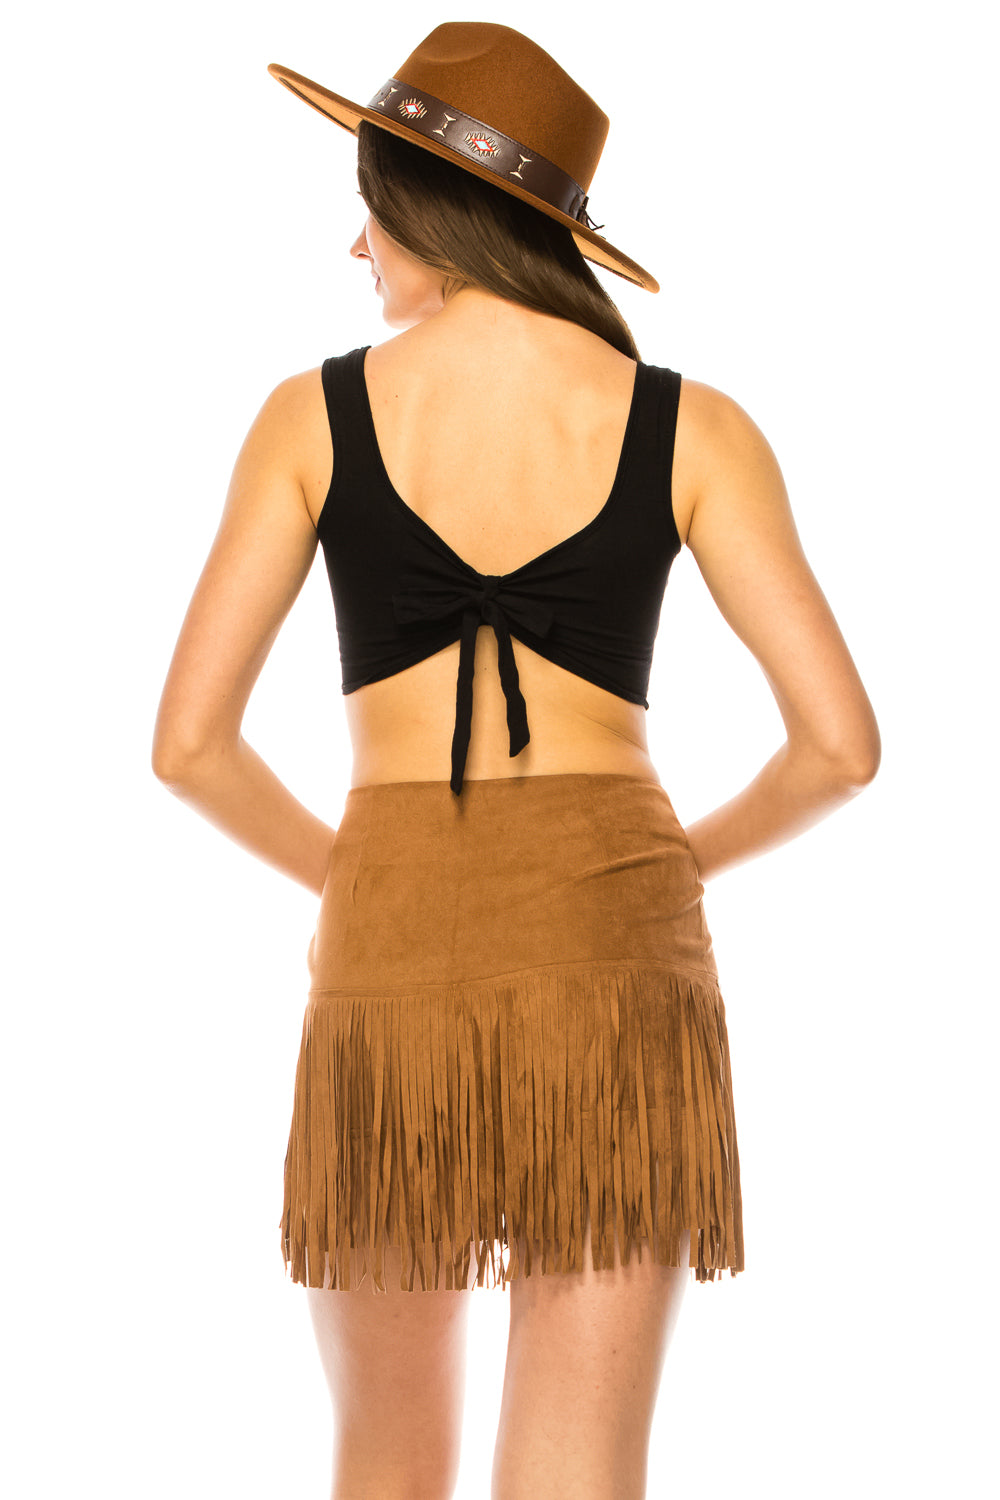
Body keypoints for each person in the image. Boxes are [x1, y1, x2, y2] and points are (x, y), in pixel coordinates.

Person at [152, 21, 880, 1500]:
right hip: (617, 940)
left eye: (369, 210)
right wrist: (677, 861)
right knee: (579, 1471)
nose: (355, 247)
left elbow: (190, 747)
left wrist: (358, 874)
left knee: (383, 1460)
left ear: (431, 208)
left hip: (391, 942)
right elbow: (839, 748)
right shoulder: (692, 427)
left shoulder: (312, 416)